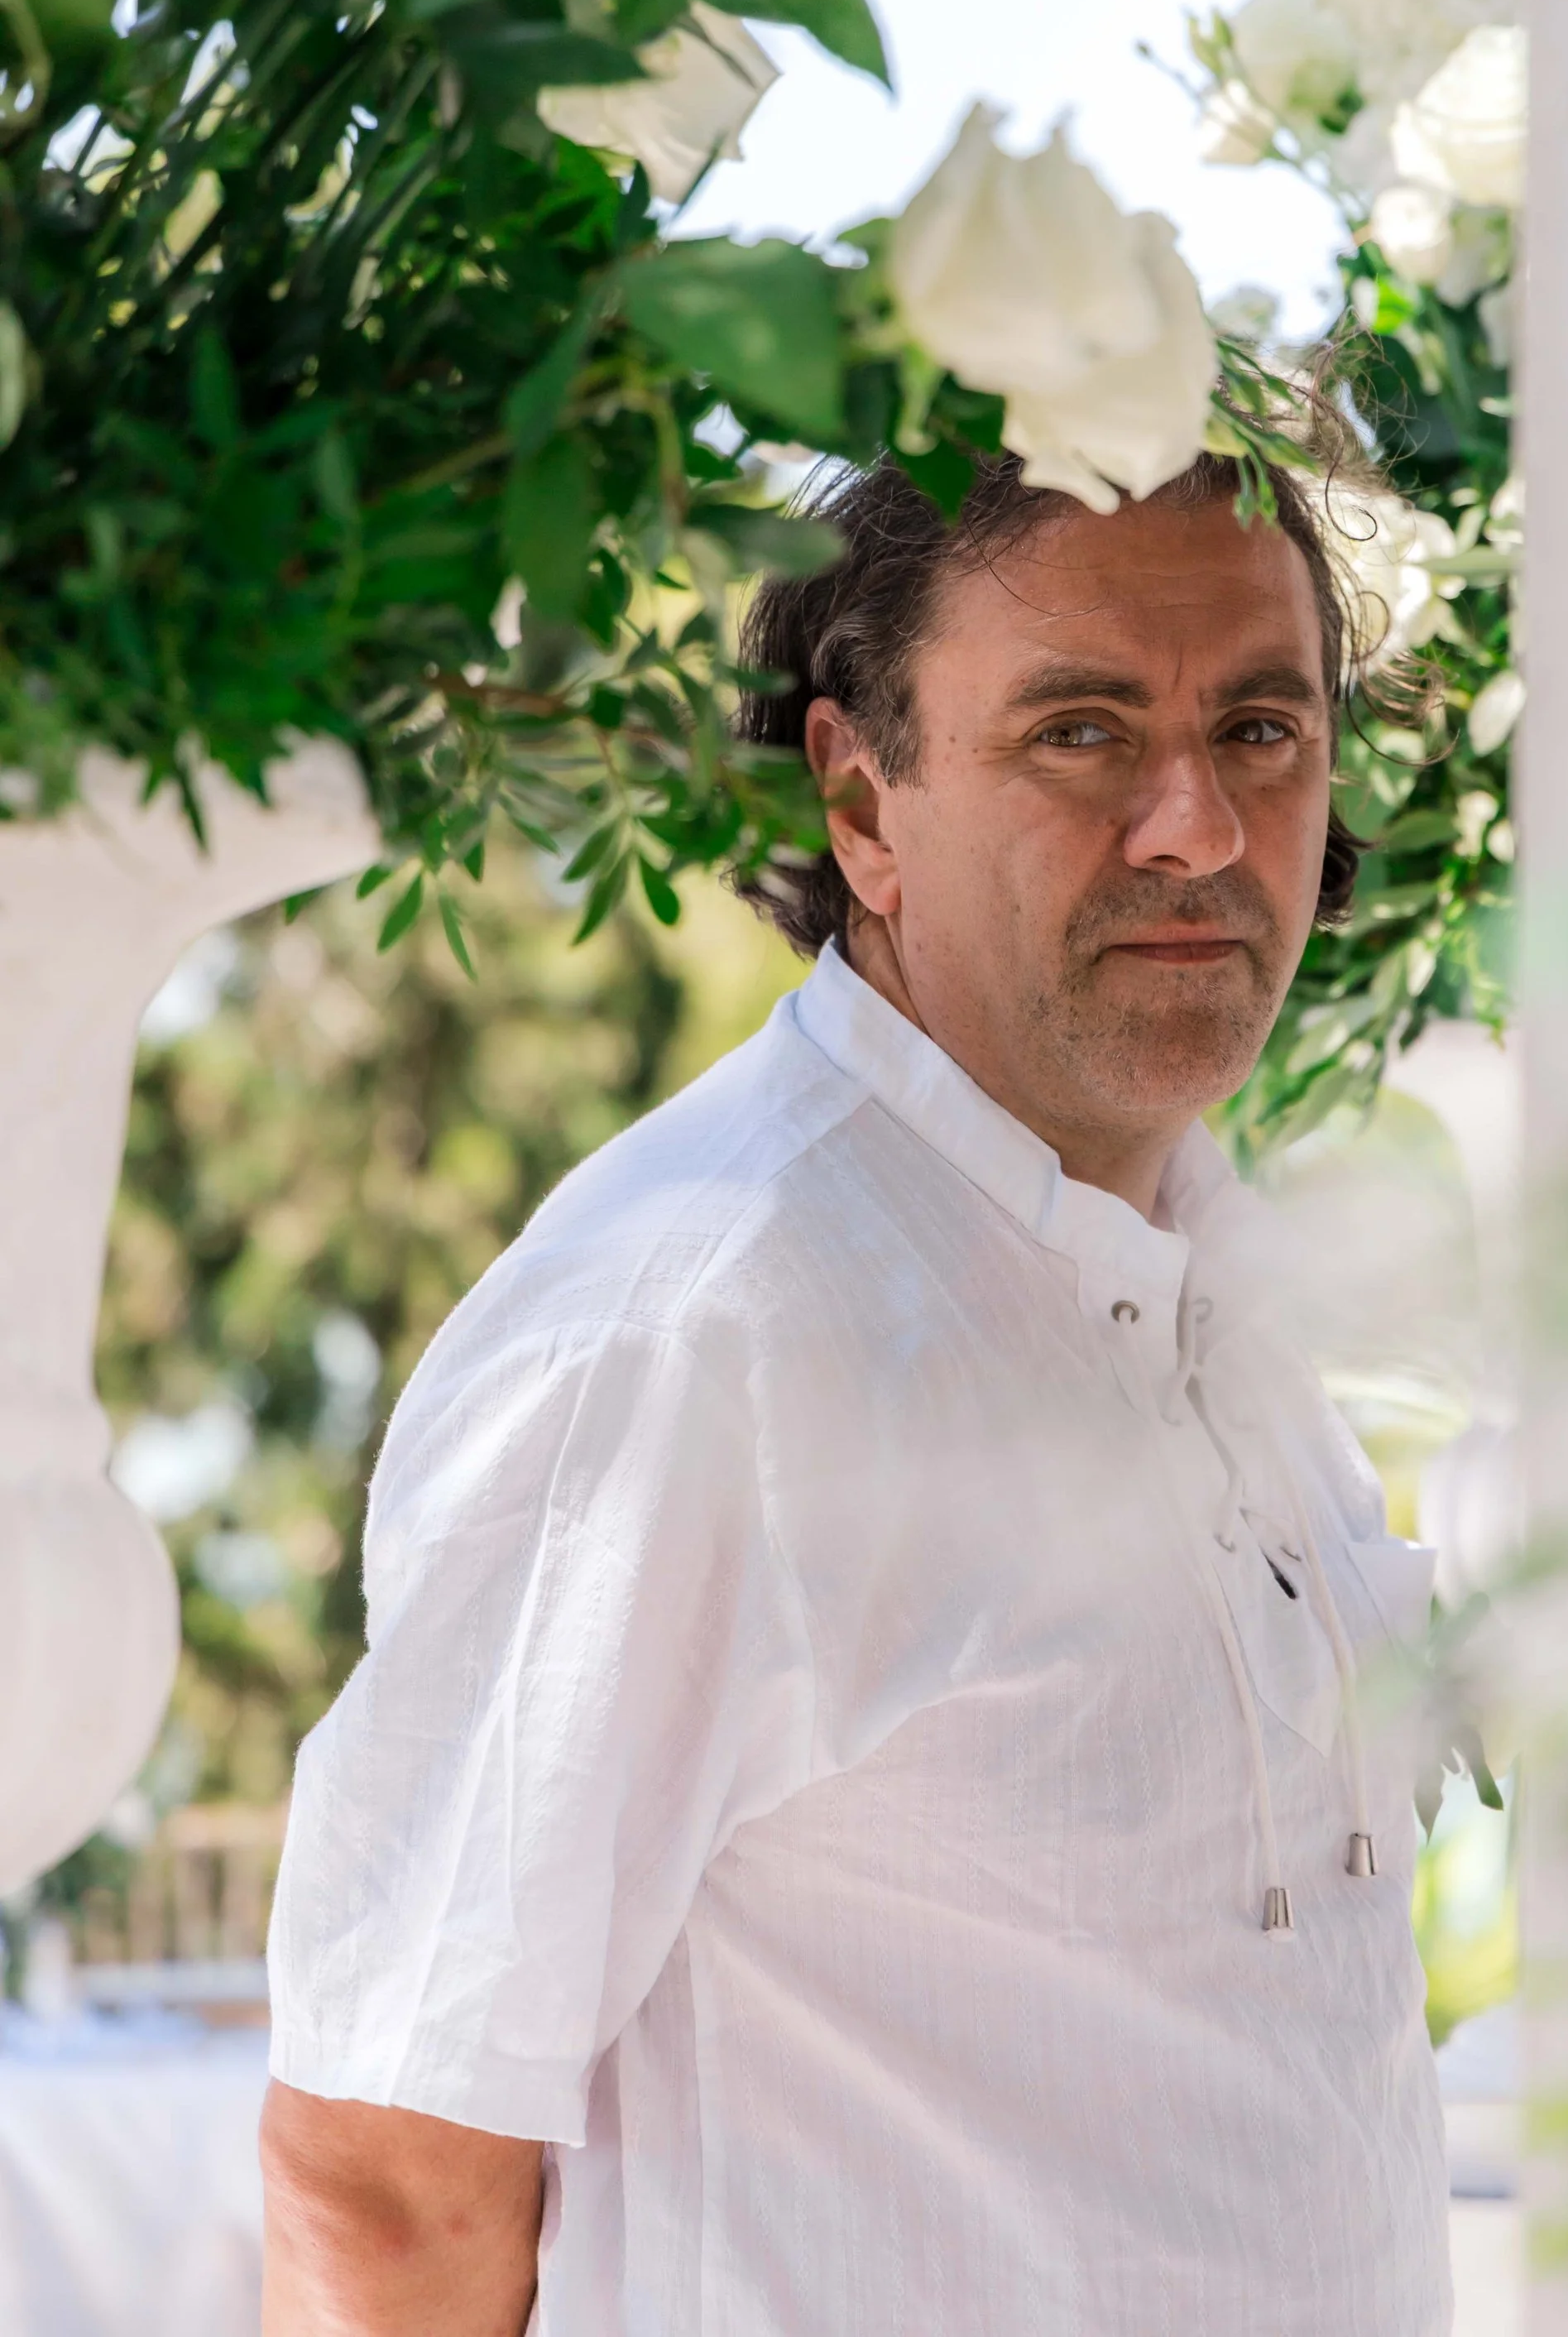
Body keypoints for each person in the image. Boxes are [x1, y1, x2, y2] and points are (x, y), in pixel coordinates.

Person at [258, 445, 1452, 2337]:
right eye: (1079, 732)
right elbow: (387, 2187)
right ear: (856, 794)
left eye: (1259, 728)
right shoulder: (691, 1331)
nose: (1198, 827)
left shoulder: (1218, 1272)